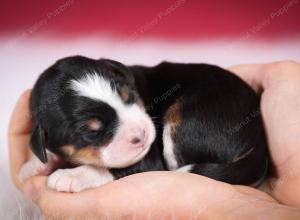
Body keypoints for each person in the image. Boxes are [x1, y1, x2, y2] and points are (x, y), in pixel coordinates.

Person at [8, 61, 300, 219]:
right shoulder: (48, 135)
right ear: (44, 141)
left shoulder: (141, 85)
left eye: (129, 99)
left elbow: (146, 161)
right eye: (95, 131)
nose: (138, 130)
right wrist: (42, 162)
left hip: (215, 108)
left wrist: (94, 172)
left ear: (120, 74)